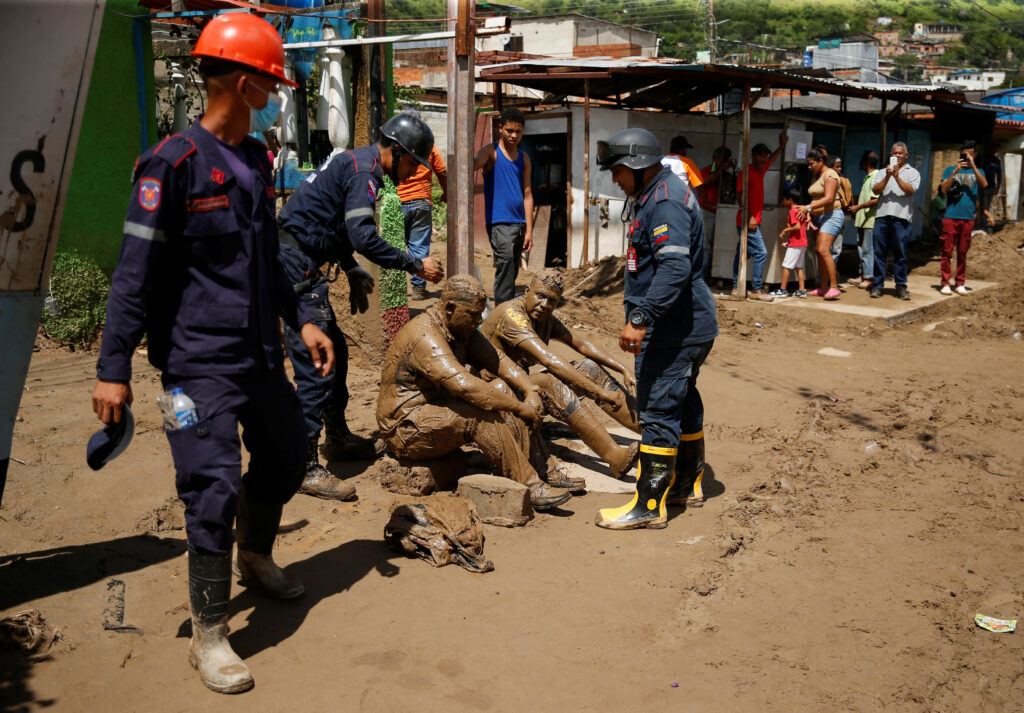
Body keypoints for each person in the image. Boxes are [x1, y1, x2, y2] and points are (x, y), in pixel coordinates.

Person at [91, 13, 337, 694]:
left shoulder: (255, 161)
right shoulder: (170, 165)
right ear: (239, 81)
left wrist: (303, 320)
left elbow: (268, 259)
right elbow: (133, 275)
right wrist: (113, 369)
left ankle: (254, 555)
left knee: (288, 452)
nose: (276, 92)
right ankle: (210, 631)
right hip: (195, 365)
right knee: (213, 484)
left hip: (259, 355)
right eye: (269, 80)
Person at [276, 112, 445, 501]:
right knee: (317, 364)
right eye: (412, 164)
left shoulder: (356, 163)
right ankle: (303, 466)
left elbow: (331, 226)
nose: (410, 173)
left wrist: (351, 269)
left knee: (336, 351)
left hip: (301, 258)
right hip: (293, 265)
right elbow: (363, 235)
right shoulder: (365, 173)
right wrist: (414, 263)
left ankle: (335, 437)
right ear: (398, 151)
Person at [594, 128, 719, 530]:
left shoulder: (664, 201)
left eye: (617, 170)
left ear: (636, 166)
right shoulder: (655, 195)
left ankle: (648, 505)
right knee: (682, 399)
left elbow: (676, 267)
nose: (614, 178)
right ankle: (687, 483)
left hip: (673, 328)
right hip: (688, 324)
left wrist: (641, 317)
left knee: (659, 409)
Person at [376, 275, 571, 511]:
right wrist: (520, 408)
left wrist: (529, 390)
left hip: (435, 411)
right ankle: (528, 483)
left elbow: (498, 360)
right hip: (405, 428)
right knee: (477, 415)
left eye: (481, 314)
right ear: (450, 308)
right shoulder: (425, 336)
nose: (479, 321)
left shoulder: (461, 328)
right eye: (474, 315)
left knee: (502, 388)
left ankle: (536, 467)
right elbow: (466, 386)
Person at [480, 269, 640, 482]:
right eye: (540, 296)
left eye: (552, 301)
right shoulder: (511, 316)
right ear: (527, 292)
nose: (545, 304)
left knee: (587, 368)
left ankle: (650, 431)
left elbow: (581, 343)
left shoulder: (544, 318)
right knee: (549, 382)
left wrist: (622, 368)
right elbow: (549, 360)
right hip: (492, 395)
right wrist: (599, 392)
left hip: (520, 388)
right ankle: (614, 456)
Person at [474, 107, 533, 305]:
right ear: (500, 128)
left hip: (519, 223)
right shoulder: (492, 152)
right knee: (506, 264)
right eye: (509, 130)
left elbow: (527, 193)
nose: (513, 135)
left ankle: (504, 306)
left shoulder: (524, 159)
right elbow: (474, 163)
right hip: (499, 222)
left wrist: (529, 231)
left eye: (518, 131)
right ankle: (502, 311)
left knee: (512, 269)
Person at [396, 109, 447, 301]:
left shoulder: (397, 146)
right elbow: (442, 172)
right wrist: (446, 193)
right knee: (419, 246)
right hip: (421, 202)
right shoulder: (429, 145)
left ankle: (397, 288)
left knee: (396, 246)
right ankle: (418, 288)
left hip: (398, 201)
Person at [733, 134, 787, 303]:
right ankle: (756, 288)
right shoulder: (746, 172)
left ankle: (736, 286)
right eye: (761, 155)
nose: (764, 158)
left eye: (765, 155)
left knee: (743, 253)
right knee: (761, 253)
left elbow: (772, 158)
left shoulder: (760, 170)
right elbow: (740, 197)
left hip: (754, 221)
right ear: (754, 156)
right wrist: (750, 217)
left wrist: (782, 146)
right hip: (747, 221)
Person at [870, 142, 921, 300]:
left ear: (906, 155)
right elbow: (876, 190)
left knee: (900, 253)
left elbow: (910, 191)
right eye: (894, 153)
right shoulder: (881, 172)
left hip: (901, 217)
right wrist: (888, 175)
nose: (897, 156)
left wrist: (897, 176)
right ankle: (877, 285)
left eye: (900, 153)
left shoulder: (912, 172)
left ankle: (900, 286)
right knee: (879, 253)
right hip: (882, 216)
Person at [938, 140, 987, 296]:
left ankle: (960, 282)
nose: (968, 157)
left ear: (975, 155)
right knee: (947, 251)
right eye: (965, 155)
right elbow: (944, 190)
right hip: (951, 215)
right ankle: (945, 282)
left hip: (968, 217)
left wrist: (973, 166)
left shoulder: (979, 171)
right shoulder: (949, 169)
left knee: (963, 251)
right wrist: (955, 172)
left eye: (971, 154)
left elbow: (984, 184)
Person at [798, 148, 843, 300]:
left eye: (812, 164)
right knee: (819, 251)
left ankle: (834, 287)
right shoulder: (816, 176)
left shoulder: (830, 174)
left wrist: (808, 208)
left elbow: (829, 198)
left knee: (824, 250)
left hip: (832, 215)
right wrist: (810, 214)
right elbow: (815, 198)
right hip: (818, 217)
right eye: (808, 164)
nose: (809, 167)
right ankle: (823, 287)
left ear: (821, 161)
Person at [699, 146, 733, 276]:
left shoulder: (726, 174)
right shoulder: (707, 171)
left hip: (723, 213)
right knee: (706, 245)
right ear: (714, 159)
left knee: (719, 245)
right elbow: (705, 182)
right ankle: (703, 274)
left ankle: (715, 272)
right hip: (708, 212)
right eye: (721, 160)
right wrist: (721, 170)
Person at [847, 151, 879, 289]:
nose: (860, 163)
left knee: (867, 249)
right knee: (861, 248)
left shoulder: (876, 177)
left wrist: (859, 207)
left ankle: (869, 278)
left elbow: (876, 199)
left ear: (866, 163)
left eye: (862, 161)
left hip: (870, 220)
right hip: (862, 220)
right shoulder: (867, 177)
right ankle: (862, 275)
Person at [771, 189, 809, 298]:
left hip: (796, 244)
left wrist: (785, 230)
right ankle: (802, 290)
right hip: (802, 243)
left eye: (784, 199)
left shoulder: (793, 211)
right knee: (799, 267)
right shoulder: (800, 210)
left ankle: (782, 290)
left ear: (790, 200)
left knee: (786, 266)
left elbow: (797, 227)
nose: (783, 202)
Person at [827, 154, 852, 275]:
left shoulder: (843, 181)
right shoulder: (824, 179)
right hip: (826, 217)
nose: (839, 169)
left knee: (836, 248)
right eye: (837, 166)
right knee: (826, 248)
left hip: (838, 215)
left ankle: (830, 274)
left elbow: (846, 200)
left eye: (840, 166)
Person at [982, 141, 1002, 232]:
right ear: (989, 148)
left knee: (988, 206)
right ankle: (985, 225)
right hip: (983, 188)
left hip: (992, 187)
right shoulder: (983, 159)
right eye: (994, 148)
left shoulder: (996, 160)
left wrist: (997, 187)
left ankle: (988, 223)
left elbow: (999, 174)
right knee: (984, 207)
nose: (995, 150)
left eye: (996, 148)